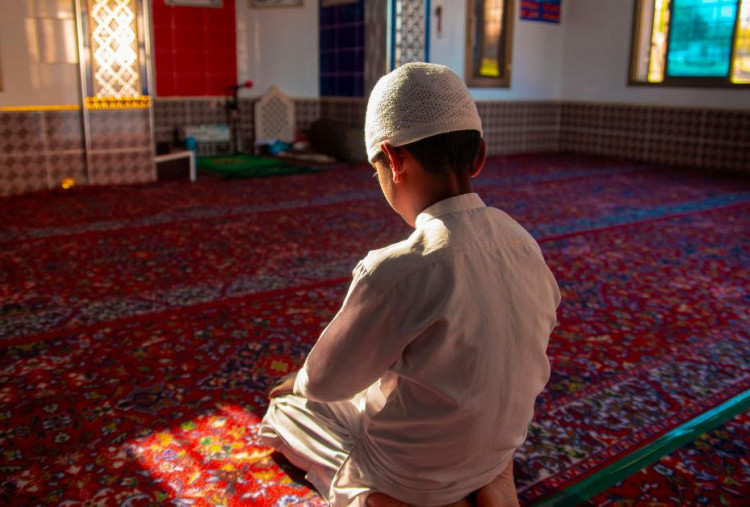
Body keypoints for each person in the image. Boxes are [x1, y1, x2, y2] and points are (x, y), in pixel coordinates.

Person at [258, 62, 560, 506]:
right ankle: (496, 481)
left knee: (287, 411)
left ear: (394, 162)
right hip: (496, 445)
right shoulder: (525, 244)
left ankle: (387, 498)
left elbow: (325, 383)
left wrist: (300, 382)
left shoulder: (398, 269)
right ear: (478, 156)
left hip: (412, 472)